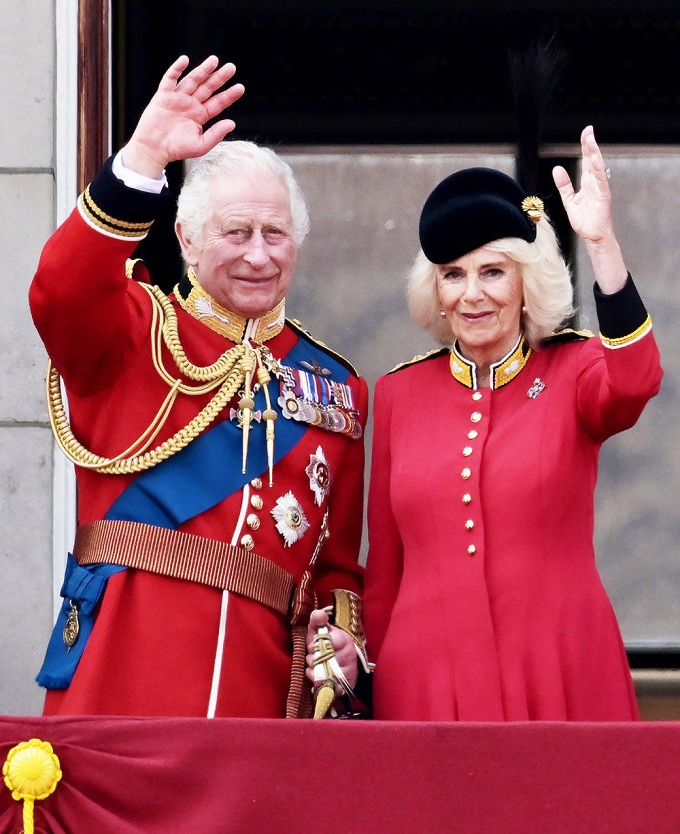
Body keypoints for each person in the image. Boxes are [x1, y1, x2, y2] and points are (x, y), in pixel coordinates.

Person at [29, 55, 369, 719]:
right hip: (120, 679)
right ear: (185, 236)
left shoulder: (335, 386)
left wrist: (343, 641)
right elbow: (60, 289)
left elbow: (334, 568)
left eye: (275, 234)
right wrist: (143, 158)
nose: (258, 253)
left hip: (260, 699)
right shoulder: (132, 332)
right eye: (236, 232)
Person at [361, 125, 663, 721]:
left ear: (526, 282)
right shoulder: (399, 393)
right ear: (436, 291)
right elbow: (385, 571)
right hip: (426, 679)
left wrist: (602, 245)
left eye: (493, 272)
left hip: (558, 662)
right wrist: (371, 680)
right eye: (453, 274)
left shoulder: (574, 367)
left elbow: (635, 380)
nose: (473, 294)